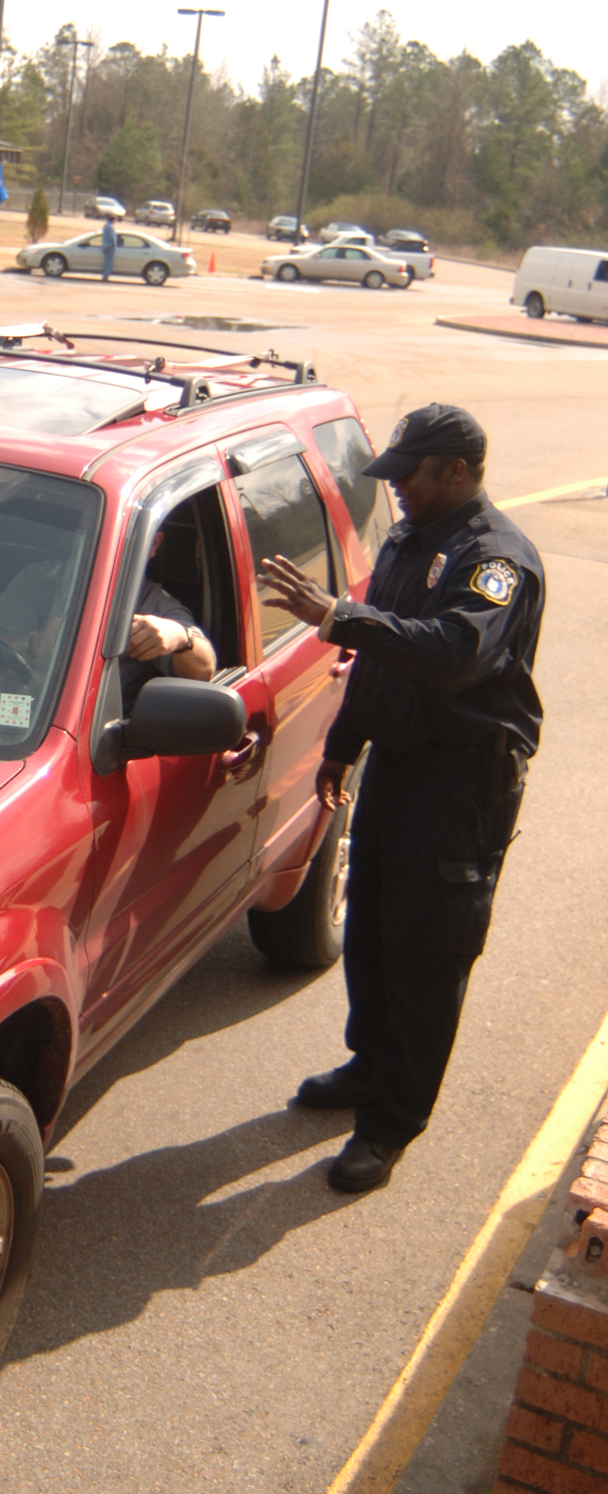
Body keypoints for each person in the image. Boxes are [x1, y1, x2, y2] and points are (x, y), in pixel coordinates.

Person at [256, 404, 544, 1193]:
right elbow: (379, 660)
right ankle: (371, 1063)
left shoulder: (496, 561)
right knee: (375, 930)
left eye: (410, 476)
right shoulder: (410, 539)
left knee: (427, 953)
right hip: (398, 764)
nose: (399, 490)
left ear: (457, 471)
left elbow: (452, 655)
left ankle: (391, 1122)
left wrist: (337, 616)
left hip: (458, 785)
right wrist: (344, 742)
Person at [0, 526, 215, 688]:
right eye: (99, 533)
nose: (106, 547)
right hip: (13, 716)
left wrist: (181, 639)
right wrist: (36, 643)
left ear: (153, 543)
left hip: (98, 734)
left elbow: (203, 672)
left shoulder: (154, 603)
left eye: (121, 537)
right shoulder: (39, 579)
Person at [100, 216, 117, 282]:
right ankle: (105, 276)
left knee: (107, 261)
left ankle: (105, 275)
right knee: (108, 262)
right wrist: (115, 246)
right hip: (109, 246)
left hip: (105, 245)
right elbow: (112, 237)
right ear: (113, 220)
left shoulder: (105, 226)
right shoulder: (110, 227)